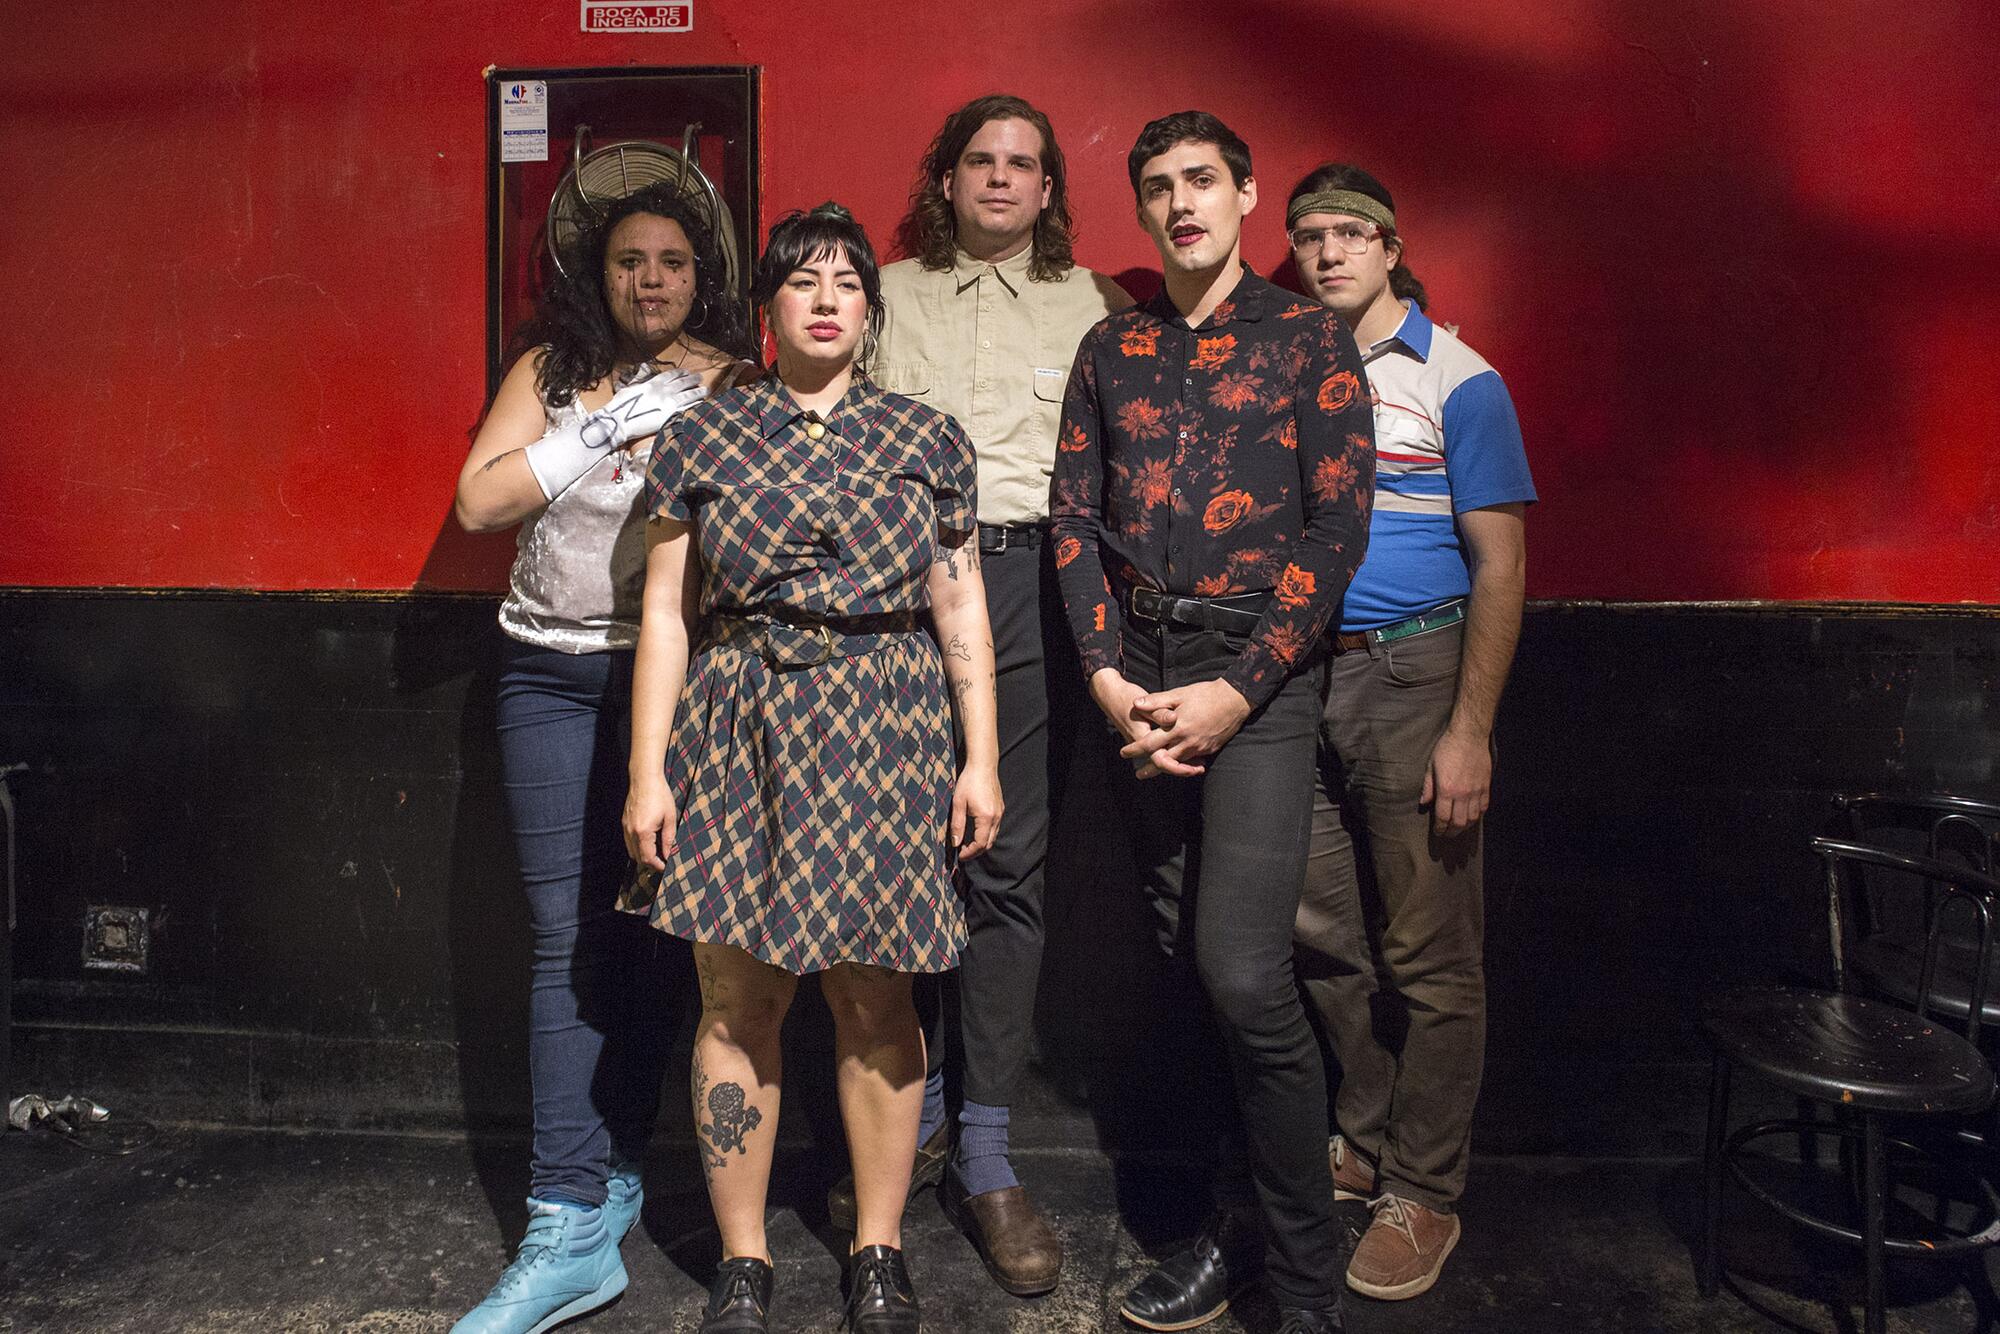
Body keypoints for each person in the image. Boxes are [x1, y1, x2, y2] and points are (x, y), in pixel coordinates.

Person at [621, 203, 1003, 1334]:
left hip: (889, 723)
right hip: (738, 720)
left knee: (876, 994)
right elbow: (666, 614)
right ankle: (743, 1260)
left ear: (870, 312)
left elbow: (958, 604)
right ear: (767, 308)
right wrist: (647, 771)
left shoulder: (927, 438)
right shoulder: (701, 437)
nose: (827, 298)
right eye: (803, 280)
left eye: (847, 282)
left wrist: (980, 758)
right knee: (738, 998)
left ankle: (878, 1247)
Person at [1050, 112, 1374, 1334]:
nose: (1179, 202)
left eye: (1200, 180)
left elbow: (1336, 528)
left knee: (1241, 967)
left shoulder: (1307, 337)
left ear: (1243, 193)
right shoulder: (1111, 345)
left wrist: (1237, 689)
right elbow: (1072, 517)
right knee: (1181, 967)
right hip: (1136, 676)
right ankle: (1220, 1229)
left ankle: (1303, 1281)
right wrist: (1102, 674)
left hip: (1256, 678)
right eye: (1157, 187)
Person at [448, 182, 756, 1334]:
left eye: (672, 259)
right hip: (549, 672)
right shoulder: (548, 369)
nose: (652, 278)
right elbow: (478, 503)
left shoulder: (733, 380)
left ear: (699, 274)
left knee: (662, 930)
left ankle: (614, 1161)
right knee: (564, 934)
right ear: (600, 271)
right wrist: (595, 429)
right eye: (631, 259)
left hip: (682, 682)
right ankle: (564, 1216)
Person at [840, 92, 1131, 1295]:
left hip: (1028, 585)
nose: (1000, 178)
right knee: (893, 859)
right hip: (886, 591)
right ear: (946, 178)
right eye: (979, 160)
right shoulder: (881, 293)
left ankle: (987, 1150)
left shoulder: (1096, 305)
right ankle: (897, 1131)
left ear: (1048, 187)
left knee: (1002, 859)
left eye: (1022, 163)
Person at [1285, 164, 1535, 1301]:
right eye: (1309, 236)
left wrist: (1469, 729)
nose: (1328, 252)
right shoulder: (1290, 364)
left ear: (1391, 248)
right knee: (1322, 933)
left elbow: (1501, 564)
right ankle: (1368, 1137)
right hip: (1299, 675)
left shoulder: (1459, 379)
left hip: (1414, 670)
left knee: (1430, 954)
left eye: (1350, 233)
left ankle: (1424, 1189)